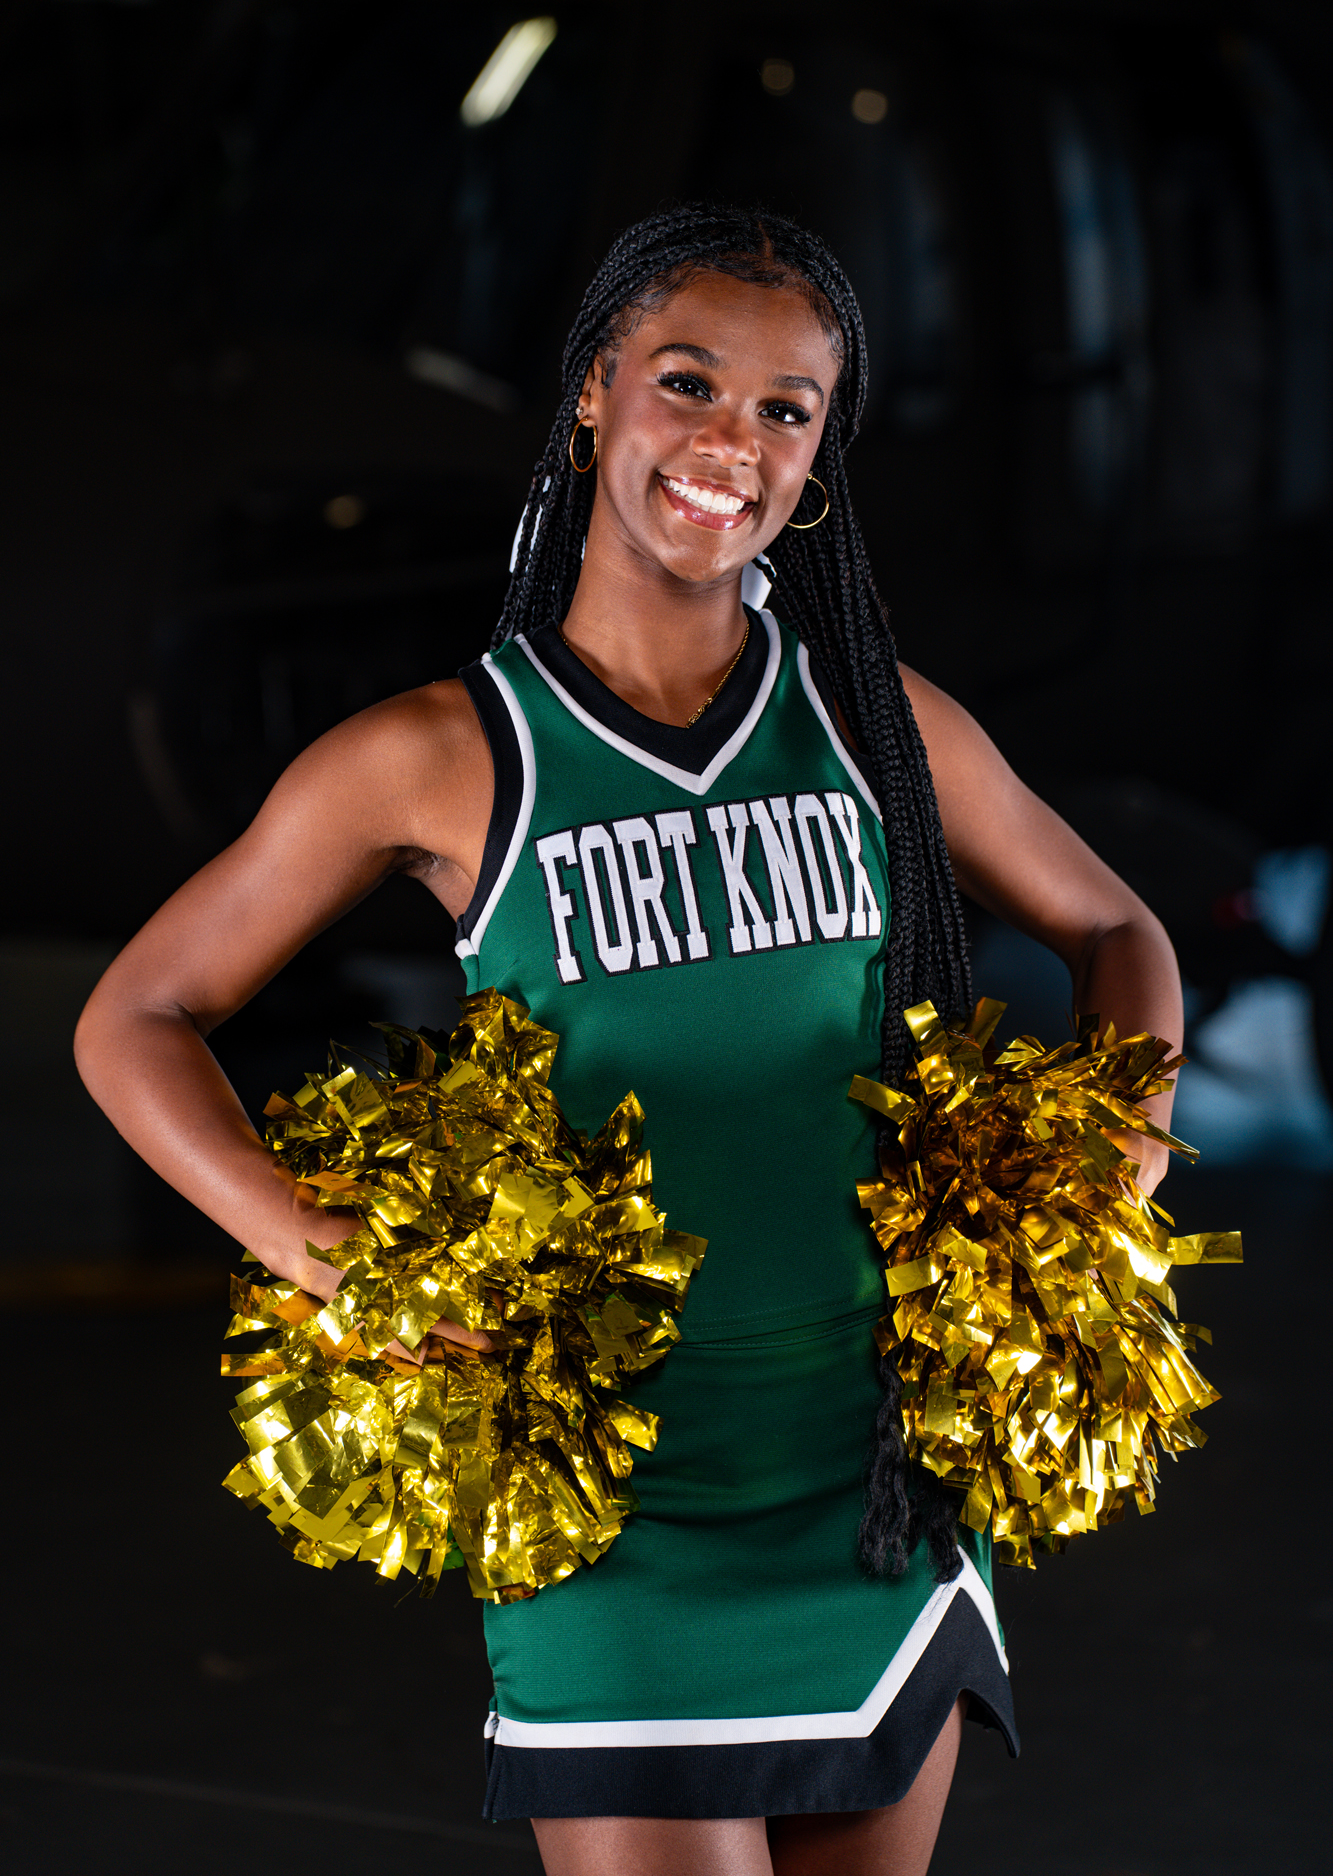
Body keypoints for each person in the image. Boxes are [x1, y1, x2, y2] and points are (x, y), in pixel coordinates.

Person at [75, 204, 1182, 1876]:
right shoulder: (441, 755)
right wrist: (324, 1248)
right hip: (618, 1517)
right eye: (687, 382)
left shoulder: (874, 722)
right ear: (594, 387)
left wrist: (1119, 1160)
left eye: (786, 408)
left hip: (873, 1480)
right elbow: (136, 1017)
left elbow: (1117, 931)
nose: (732, 441)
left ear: (821, 453)